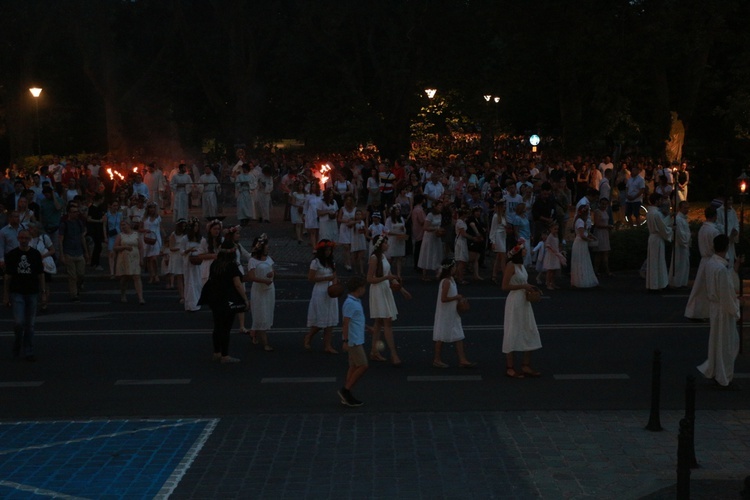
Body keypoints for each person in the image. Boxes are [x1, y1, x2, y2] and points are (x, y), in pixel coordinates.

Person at [697, 234, 743, 388]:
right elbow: (726, 293)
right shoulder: (720, 268)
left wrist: (735, 266)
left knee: (717, 340)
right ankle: (723, 375)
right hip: (723, 309)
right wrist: (736, 308)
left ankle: (716, 370)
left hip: (715, 308)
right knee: (726, 344)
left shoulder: (711, 263)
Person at [202, 238, 249, 363]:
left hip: (214, 298)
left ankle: (216, 352)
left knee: (217, 326)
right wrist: (245, 299)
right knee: (226, 328)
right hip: (227, 299)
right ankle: (225, 355)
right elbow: (238, 284)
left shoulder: (215, 264)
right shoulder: (231, 265)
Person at [502, 240, 542, 378]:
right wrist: (523, 287)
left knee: (528, 329)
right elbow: (505, 286)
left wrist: (529, 287)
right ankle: (510, 367)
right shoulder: (511, 266)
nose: (526, 251)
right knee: (513, 330)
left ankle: (525, 365)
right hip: (514, 301)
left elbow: (523, 282)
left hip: (524, 301)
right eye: (524, 249)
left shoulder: (521, 266)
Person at [367, 235, 408, 367]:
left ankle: (374, 351)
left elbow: (390, 276)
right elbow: (369, 279)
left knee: (379, 322)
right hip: (378, 291)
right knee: (387, 322)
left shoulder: (383, 257)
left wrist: (402, 290)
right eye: (385, 243)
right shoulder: (374, 258)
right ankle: (393, 354)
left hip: (385, 289)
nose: (387, 244)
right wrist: (386, 277)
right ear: (380, 245)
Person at [3, 229, 44, 361]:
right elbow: (8, 276)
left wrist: (43, 292)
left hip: (32, 291)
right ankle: (18, 342)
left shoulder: (35, 254)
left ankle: (28, 351)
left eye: (26, 238)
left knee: (30, 324)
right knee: (19, 322)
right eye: (21, 238)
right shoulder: (12, 255)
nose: (24, 240)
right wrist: (5, 295)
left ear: (30, 239)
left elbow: (40, 274)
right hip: (17, 292)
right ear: (18, 239)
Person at [432, 258, 476, 369]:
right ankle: (437, 359)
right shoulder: (446, 282)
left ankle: (462, 359)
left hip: (452, 312)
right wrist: (457, 297)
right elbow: (443, 298)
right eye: (454, 266)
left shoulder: (451, 279)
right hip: (446, 313)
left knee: (458, 334)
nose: (456, 268)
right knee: (441, 335)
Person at [338, 275, 370, 407]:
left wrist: (367, 327)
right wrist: (345, 340)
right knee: (363, 365)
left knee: (353, 366)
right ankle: (345, 390)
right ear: (359, 288)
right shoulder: (350, 303)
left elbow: (356, 320)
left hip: (356, 338)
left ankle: (347, 392)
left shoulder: (355, 301)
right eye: (363, 287)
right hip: (354, 341)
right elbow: (346, 323)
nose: (365, 290)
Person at [303, 239, 339, 353]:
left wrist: (335, 285)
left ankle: (328, 346)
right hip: (320, 290)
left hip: (330, 291)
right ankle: (309, 336)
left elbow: (334, 275)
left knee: (330, 320)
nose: (328, 252)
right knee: (321, 319)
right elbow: (311, 278)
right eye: (326, 250)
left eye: (330, 250)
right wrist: (326, 279)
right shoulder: (316, 262)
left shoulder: (331, 262)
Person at [685, 206, 721, 320]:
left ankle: (696, 311)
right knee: (709, 289)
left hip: (704, 261)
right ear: (715, 216)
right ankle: (704, 312)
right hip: (711, 260)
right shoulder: (714, 231)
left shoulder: (702, 229)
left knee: (700, 288)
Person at [247, 234, 275, 351]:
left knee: (267, 313)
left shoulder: (268, 259)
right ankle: (265, 343)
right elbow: (251, 277)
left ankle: (254, 332)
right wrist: (264, 280)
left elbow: (273, 271)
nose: (268, 247)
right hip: (258, 290)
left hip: (269, 290)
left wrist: (271, 275)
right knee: (260, 314)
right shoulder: (252, 261)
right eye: (266, 245)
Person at [59, 201, 89, 301]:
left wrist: (86, 252)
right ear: (69, 213)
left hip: (79, 251)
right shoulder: (64, 224)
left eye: (77, 212)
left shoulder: (79, 223)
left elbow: (82, 237)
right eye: (74, 212)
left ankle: (78, 285)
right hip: (69, 251)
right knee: (72, 275)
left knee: (81, 273)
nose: (77, 213)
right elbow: (60, 239)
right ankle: (74, 294)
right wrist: (62, 254)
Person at [645, 195, 673, 291]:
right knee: (658, 261)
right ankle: (658, 284)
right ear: (657, 201)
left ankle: (653, 284)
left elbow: (661, 224)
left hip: (652, 238)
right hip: (657, 238)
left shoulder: (650, 212)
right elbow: (662, 227)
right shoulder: (656, 213)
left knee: (653, 261)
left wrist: (669, 217)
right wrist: (671, 229)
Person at [114, 220, 145, 304]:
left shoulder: (136, 234)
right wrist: (124, 247)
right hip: (124, 258)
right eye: (121, 225)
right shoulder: (120, 235)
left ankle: (140, 297)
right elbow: (115, 247)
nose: (123, 227)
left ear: (129, 225)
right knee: (125, 277)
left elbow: (141, 247)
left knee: (137, 276)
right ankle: (123, 294)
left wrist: (141, 259)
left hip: (135, 257)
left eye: (124, 225)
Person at [570, 205, 598, 288]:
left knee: (582, 260)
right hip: (580, 243)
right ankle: (581, 280)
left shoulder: (580, 221)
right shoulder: (580, 222)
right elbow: (582, 235)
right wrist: (589, 240)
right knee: (581, 261)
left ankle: (581, 279)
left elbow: (585, 232)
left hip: (581, 243)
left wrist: (591, 236)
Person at [418, 200, 444, 280]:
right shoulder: (430, 215)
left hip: (436, 236)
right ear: (435, 206)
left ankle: (437, 271)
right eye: (439, 205)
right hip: (429, 237)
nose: (440, 207)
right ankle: (424, 273)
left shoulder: (440, 215)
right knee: (427, 252)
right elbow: (425, 227)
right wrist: (435, 229)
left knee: (437, 252)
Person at [669, 201, 691, 288]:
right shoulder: (678, 219)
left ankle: (681, 281)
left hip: (683, 245)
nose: (687, 210)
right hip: (680, 245)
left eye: (687, 208)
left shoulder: (683, 219)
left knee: (683, 264)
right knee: (678, 264)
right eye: (685, 208)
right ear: (680, 208)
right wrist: (689, 236)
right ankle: (677, 282)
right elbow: (680, 234)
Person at [141, 203, 164, 284]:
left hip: (156, 238)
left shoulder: (158, 217)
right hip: (147, 239)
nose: (152, 210)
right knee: (149, 259)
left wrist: (164, 234)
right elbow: (140, 229)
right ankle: (152, 275)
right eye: (151, 208)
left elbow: (160, 227)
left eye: (154, 208)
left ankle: (156, 274)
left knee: (154, 258)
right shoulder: (144, 218)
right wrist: (145, 231)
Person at [167, 218, 187, 303]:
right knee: (179, 276)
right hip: (177, 256)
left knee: (186, 276)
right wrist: (180, 249)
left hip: (185, 256)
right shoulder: (174, 235)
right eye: (182, 225)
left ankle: (188, 294)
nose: (184, 227)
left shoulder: (187, 234)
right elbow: (171, 248)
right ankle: (182, 296)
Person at [384, 205, 407, 280]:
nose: (398, 211)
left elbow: (404, 229)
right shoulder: (389, 220)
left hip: (400, 240)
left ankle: (399, 274)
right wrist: (396, 234)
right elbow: (386, 231)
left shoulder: (401, 219)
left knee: (399, 257)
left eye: (398, 210)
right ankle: (387, 273)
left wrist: (403, 229)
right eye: (396, 210)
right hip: (392, 240)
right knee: (391, 258)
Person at [592, 198, 613, 276]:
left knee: (604, 253)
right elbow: (597, 224)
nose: (604, 205)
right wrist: (607, 226)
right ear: (599, 204)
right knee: (600, 253)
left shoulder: (605, 211)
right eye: (603, 204)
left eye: (605, 204)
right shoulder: (597, 212)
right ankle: (599, 270)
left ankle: (603, 270)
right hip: (600, 233)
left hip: (605, 233)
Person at [542, 223, 566, 290]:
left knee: (554, 270)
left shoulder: (556, 235)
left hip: (555, 254)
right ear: (551, 229)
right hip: (551, 254)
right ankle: (548, 283)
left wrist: (559, 249)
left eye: (557, 229)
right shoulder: (550, 236)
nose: (556, 230)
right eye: (555, 229)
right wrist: (552, 249)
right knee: (550, 270)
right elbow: (547, 244)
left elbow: (556, 244)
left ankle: (552, 283)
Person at [337, 194, 357, 271]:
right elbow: (339, 219)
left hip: (352, 228)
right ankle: (347, 263)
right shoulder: (342, 209)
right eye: (347, 200)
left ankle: (350, 261)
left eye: (350, 200)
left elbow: (358, 218)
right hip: (344, 228)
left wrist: (353, 221)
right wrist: (346, 221)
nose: (348, 201)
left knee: (351, 246)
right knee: (346, 247)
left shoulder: (355, 209)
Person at [490, 200, 507, 284]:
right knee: (503, 257)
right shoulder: (496, 216)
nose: (505, 207)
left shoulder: (503, 216)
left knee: (498, 258)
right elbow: (493, 229)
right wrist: (493, 241)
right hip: (498, 237)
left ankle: (494, 275)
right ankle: (505, 276)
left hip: (503, 236)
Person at [454, 208, 470, 284]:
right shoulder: (460, 222)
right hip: (460, 241)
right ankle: (460, 278)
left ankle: (458, 276)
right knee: (461, 261)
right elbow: (463, 234)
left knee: (461, 261)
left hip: (462, 241)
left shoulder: (462, 221)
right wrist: (472, 238)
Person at [350, 209, 367, 275]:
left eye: (359, 214)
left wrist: (364, 229)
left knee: (361, 257)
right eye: (357, 214)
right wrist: (356, 221)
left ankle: (362, 271)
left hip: (361, 239)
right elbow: (349, 224)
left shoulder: (362, 222)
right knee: (354, 256)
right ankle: (355, 270)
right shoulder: (353, 222)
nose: (358, 215)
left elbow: (366, 230)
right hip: (355, 240)